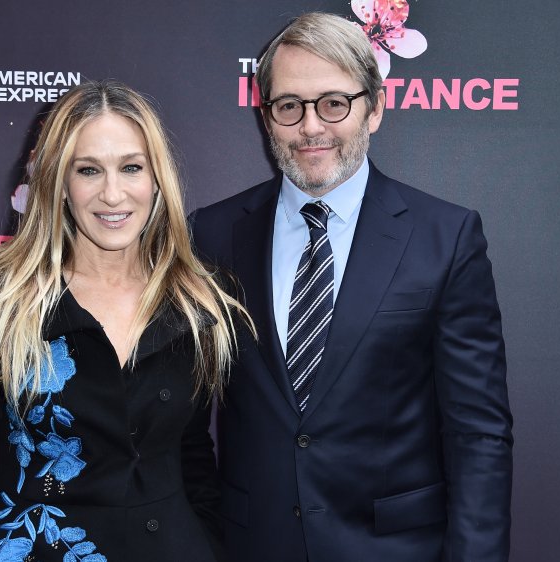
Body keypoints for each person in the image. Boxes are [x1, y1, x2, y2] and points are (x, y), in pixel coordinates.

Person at [190, 12, 513, 562]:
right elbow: (185, 424)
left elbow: (477, 434)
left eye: (334, 103)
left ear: (376, 108)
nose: (311, 126)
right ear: (266, 116)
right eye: (289, 105)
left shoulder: (446, 236)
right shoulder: (212, 234)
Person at [0, 80, 249, 562]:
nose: (112, 193)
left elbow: (190, 449)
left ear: (156, 178)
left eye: (131, 167)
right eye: (88, 170)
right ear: (60, 183)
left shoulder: (198, 300)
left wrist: (207, 544)